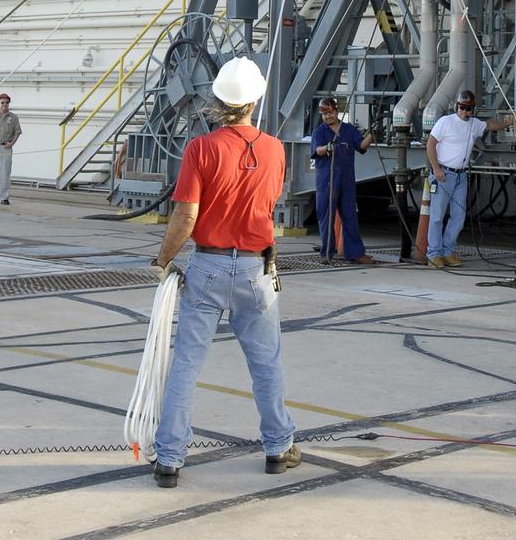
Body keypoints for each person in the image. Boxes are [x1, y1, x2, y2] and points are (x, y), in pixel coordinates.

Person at [150, 56, 299, 487]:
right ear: (255, 99)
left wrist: (162, 261)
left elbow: (185, 216)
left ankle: (170, 457)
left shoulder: (201, 148)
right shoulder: (275, 149)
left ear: (217, 98)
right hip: (257, 268)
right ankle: (278, 447)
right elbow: (267, 204)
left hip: (209, 265)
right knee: (266, 363)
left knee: (186, 365)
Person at [426, 90, 514, 268]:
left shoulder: (474, 124)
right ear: (456, 106)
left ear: (473, 108)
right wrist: (436, 168)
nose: (465, 111)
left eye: (468, 108)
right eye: (462, 107)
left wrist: (506, 124)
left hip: (461, 175)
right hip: (444, 174)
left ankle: (448, 251)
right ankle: (434, 253)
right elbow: (431, 143)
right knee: (437, 216)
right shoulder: (445, 122)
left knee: (458, 216)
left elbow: (489, 125)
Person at [311, 95, 375, 265]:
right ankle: (326, 253)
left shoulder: (348, 130)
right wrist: (327, 148)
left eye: (330, 113)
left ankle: (355, 253)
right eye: (324, 114)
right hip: (327, 181)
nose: (327, 117)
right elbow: (317, 150)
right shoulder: (320, 132)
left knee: (350, 216)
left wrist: (372, 135)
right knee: (327, 216)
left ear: (336, 111)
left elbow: (361, 146)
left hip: (346, 181)